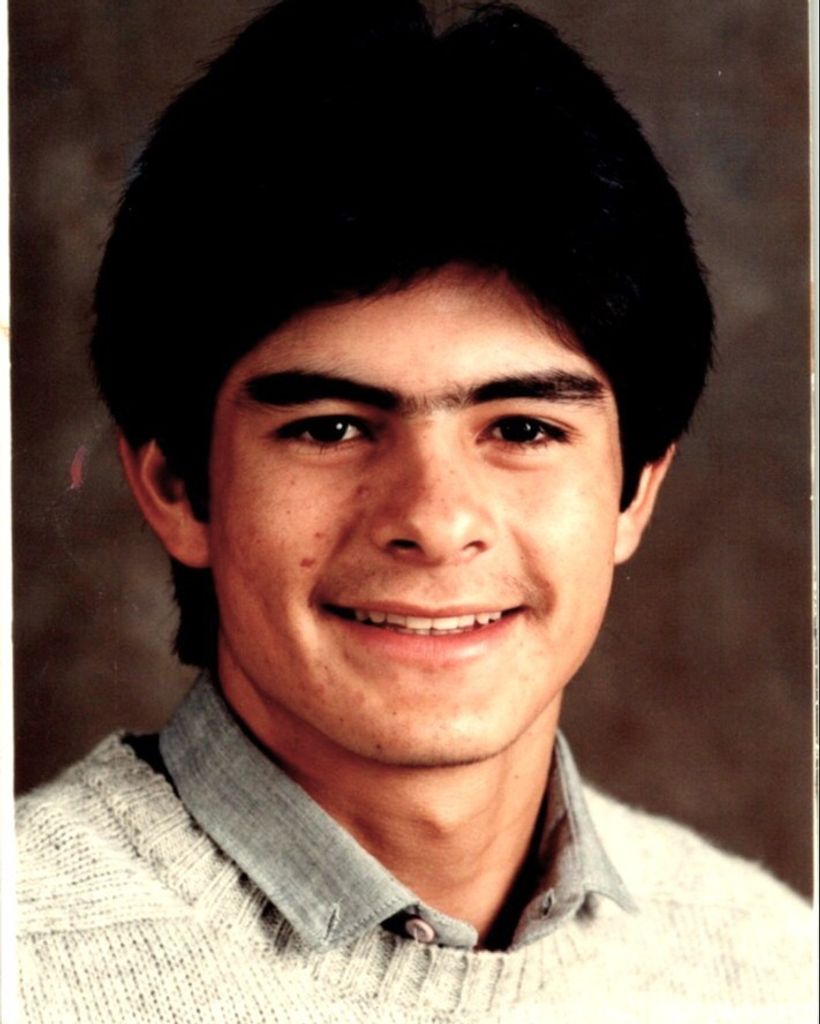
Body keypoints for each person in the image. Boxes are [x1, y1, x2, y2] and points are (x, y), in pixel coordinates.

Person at [15, 1, 812, 1021]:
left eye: (522, 428)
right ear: (175, 489)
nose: (435, 521)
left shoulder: (771, 967)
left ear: (636, 491)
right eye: (330, 427)